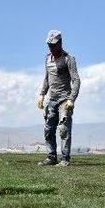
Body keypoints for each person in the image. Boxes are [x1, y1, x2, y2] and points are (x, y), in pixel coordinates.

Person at [36, 30, 80, 167]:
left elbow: (76, 80)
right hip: (51, 99)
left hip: (64, 100)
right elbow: (47, 79)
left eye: (53, 45)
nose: (51, 47)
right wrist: (42, 94)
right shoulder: (47, 59)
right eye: (49, 45)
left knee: (63, 129)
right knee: (48, 129)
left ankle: (65, 159)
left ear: (60, 43)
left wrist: (72, 99)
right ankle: (51, 157)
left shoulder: (69, 59)